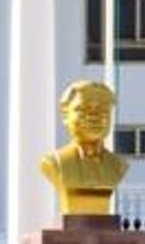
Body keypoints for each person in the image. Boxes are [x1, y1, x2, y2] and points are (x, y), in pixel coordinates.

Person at [41, 80, 129, 217]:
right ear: (65, 115)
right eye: (83, 110)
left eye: (103, 111)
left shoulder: (118, 166)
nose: (94, 117)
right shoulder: (55, 163)